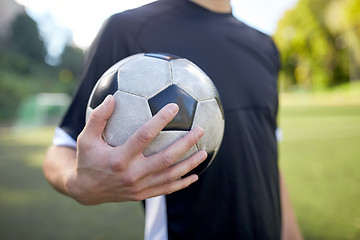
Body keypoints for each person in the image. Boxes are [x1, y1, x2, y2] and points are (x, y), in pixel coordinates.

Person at [44, 0, 302, 239]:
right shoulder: (127, 30)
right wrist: (77, 183)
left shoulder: (264, 46)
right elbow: (63, 146)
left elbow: (268, 159)